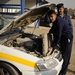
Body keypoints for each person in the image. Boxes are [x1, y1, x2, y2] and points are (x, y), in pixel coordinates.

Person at [47, 10, 73, 75]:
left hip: (67, 38)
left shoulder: (59, 22)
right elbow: (52, 29)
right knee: (61, 53)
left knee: (66, 55)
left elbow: (58, 36)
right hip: (63, 38)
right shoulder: (55, 21)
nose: (50, 18)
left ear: (55, 15)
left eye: (51, 16)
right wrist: (48, 34)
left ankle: (62, 73)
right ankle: (61, 68)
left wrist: (52, 46)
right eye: (49, 17)